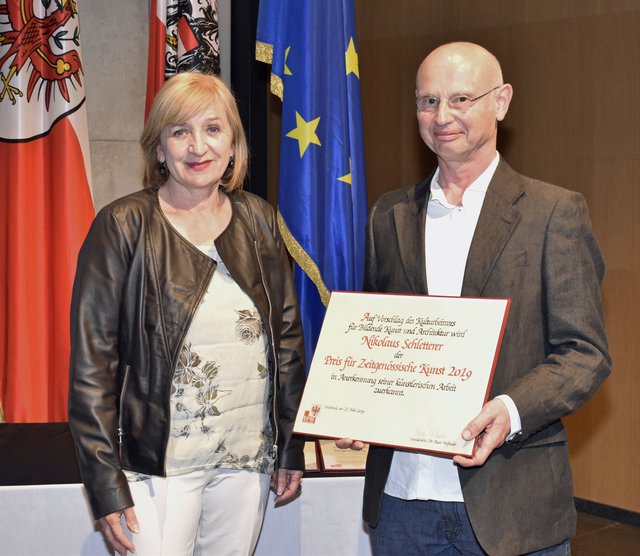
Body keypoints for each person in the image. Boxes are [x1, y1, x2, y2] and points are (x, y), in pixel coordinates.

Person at [338, 42, 610, 555]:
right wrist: (357, 402)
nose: (443, 116)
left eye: (461, 99)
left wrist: (511, 409)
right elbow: (376, 340)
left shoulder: (554, 213)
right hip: (402, 501)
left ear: (501, 102)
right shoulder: (388, 215)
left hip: (513, 504)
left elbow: (585, 353)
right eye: (428, 101)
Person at [68, 72, 306, 556]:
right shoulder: (122, 226)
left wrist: (291, 443)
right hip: (155, 466)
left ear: (233, 144)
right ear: (159, 149)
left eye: (213, 129)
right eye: (180, 132)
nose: (198, 146)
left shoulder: (260, 219)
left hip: (245, 459)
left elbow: (287, 340)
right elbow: (92, 368)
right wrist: (105, 483)